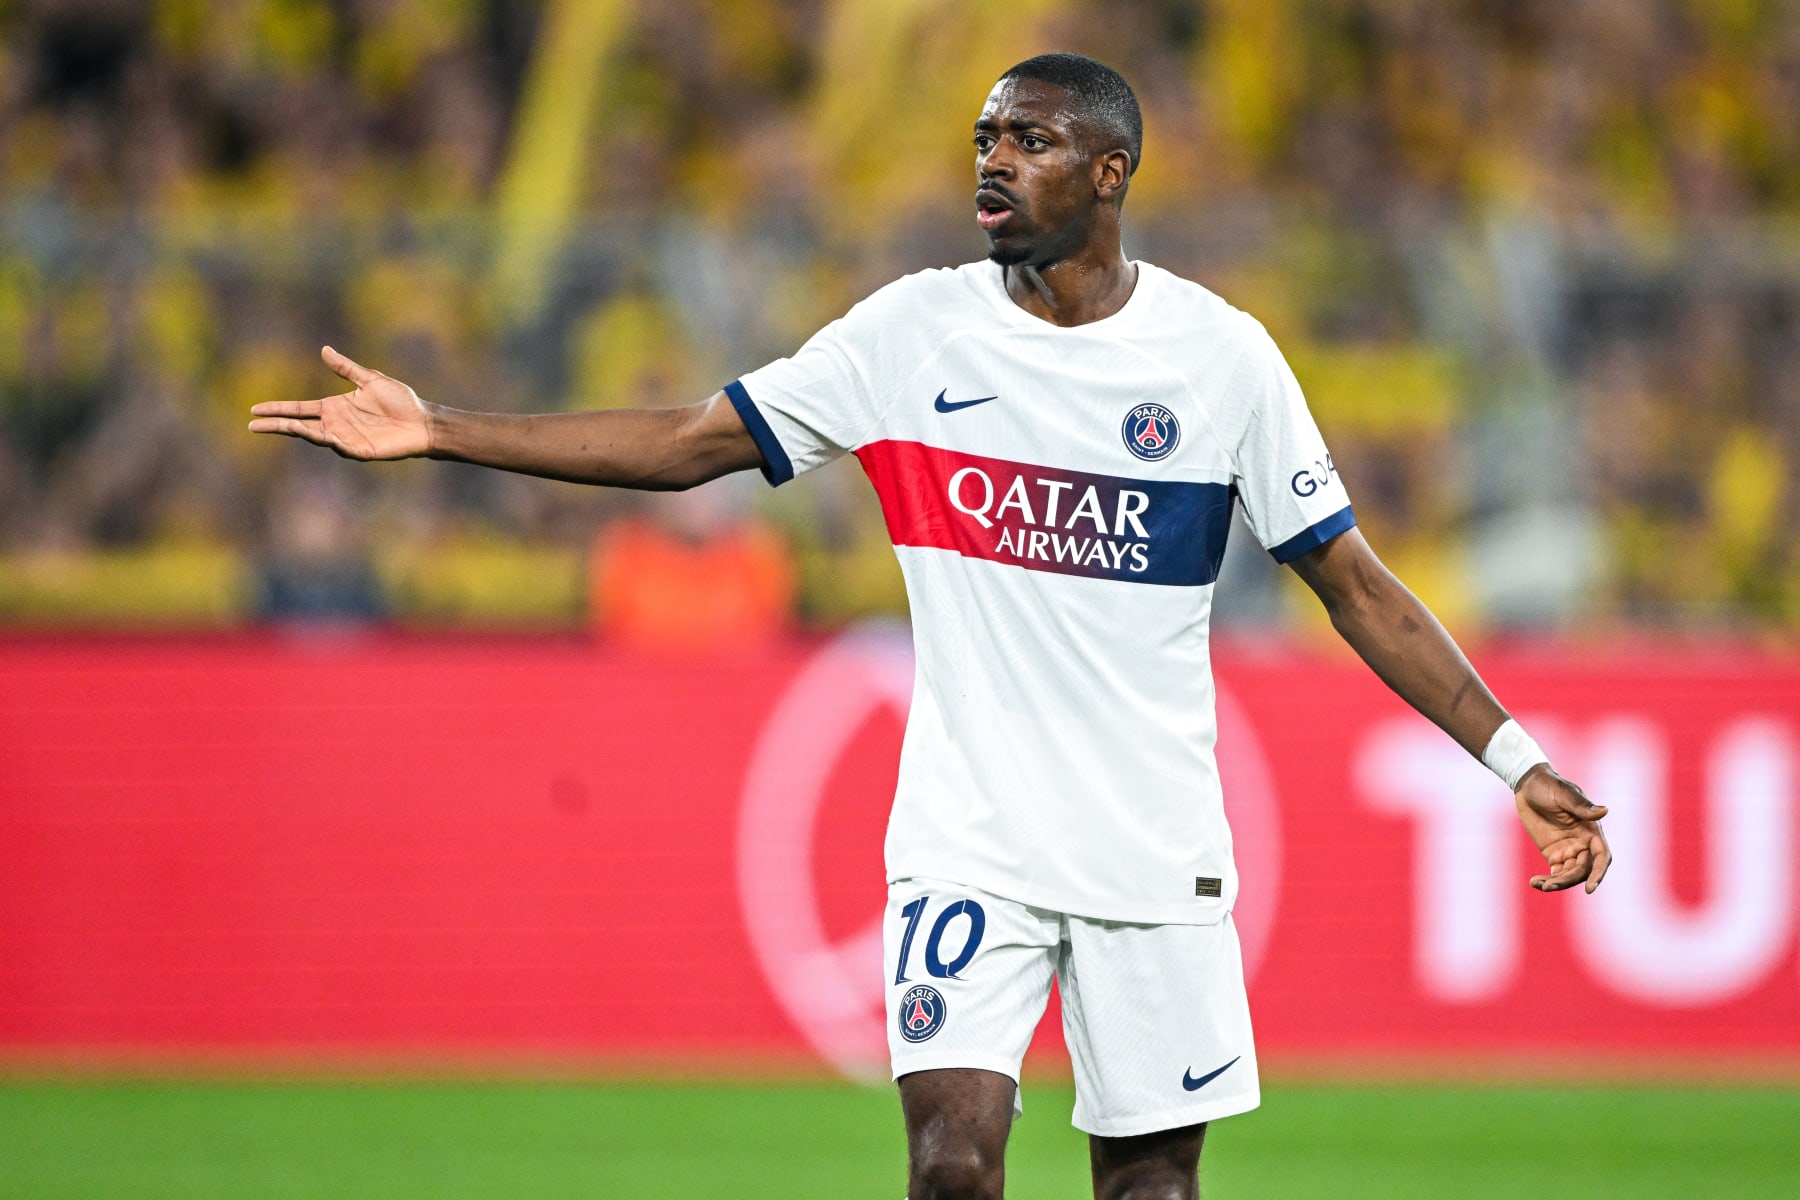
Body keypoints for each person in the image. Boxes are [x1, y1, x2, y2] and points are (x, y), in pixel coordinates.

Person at [250, 52, 1611, 1200]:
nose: (995, 161)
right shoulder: (915, 335)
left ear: (1111, 174)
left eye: (1032, 139)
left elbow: (1355, 583)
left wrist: (1512, 760)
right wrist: (439, 431)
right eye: (984, 138)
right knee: (952, 1166)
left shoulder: (1221, 359)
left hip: (1155, 850)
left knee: (1151, 1187)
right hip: (970, 843)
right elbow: (685, 442)